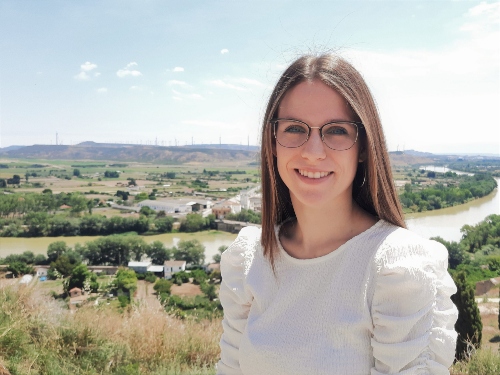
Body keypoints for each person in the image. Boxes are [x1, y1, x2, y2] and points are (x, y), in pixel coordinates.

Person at [217, 54, 458, 375]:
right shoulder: (249, 259)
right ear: (272, 142)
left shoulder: (398, 270)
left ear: (363, 147)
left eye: (336, 131)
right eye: (293, 128)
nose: (313, 151)